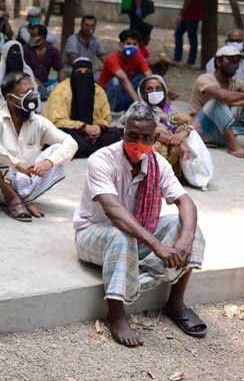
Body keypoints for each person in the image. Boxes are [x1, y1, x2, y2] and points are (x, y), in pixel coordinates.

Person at [73, 102, 207, 347]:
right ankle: (116, 313)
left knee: (188, 226)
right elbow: (113, 211)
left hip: (137, 233)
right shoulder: (101, 159)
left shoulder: (158, 163)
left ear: (155, 137)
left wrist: (184, 241)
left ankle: (175, 303)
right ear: (123, 132)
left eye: (146, 137)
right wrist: (156, 245)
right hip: (93, 233)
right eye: (132, 136)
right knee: (121, 234)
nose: (138, 142)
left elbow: (186, 201)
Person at [0, 71, 78, 221]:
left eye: (33, 91)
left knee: (58, 150)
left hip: (23, 184)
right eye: (25, 92)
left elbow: (71, 143)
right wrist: (16, 164)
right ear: (10, 98)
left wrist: (48, 162)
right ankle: (12, 198)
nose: (33, 96)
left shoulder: (38, 122)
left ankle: (24, 198)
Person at [136, 75, 209, 184]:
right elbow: (149, 130)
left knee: (186, 132)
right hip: (148, 143)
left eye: (158, 88)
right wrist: (175, 141)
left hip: (172, 140)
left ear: (164, 91)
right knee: (158, 146)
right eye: (149, 89)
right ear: (143, 93)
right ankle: (153, 177)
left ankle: (174, 175)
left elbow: (194, 122)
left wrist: (183, 132)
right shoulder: (139, 109)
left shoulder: (167, 110)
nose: (154, 92)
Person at [44, 57, 121, 158]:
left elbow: (106, 118)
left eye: (87, 71)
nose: (83, 75)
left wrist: (97, 127)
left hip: (93, 132)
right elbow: (56, 121)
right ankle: (91, 150)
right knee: (64, 136)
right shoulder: (61, 90)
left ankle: (85, 149)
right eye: (79, 71)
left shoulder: (98, 91)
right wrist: (83, 127)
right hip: (71, 130)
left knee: (114, 133)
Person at [190, 45, 244, 157]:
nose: (235, 64)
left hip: (224, 132)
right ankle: (234, 147)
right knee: (217, 102)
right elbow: (222, 96)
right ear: (218, 62)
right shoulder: (205, 79)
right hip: (202, 131)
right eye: (230, 60)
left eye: (237, 61)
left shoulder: (236, 82)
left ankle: (230, 140)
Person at [99, 29, 152, 112]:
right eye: (128, 44)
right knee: (115, 81)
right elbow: (123, 79)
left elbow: (149, 76)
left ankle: (134, 111)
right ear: (121, 45)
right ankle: (106, 114)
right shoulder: (112, 59)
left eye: (135, 44)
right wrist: (137, 102)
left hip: (123, 95)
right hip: (105, 98)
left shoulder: (138, 56)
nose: (132, 47)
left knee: (144, 80)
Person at [0, 40, 36, 116]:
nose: (15, 56)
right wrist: (9, 106)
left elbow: (33, 92)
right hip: (0, 105)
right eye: (12, 53)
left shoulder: (27, 70)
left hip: (22, 104)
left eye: (17, 53)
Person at [23, 24, 63, 99]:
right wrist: (39, 86)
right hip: (29, 84)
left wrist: (61, 86)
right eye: (31, 36)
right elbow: (26, 72)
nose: (31, 38)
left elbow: (60, 68)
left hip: (46, 83)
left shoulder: (53, 51)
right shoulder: (26, 50)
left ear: (43, 37)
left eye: (34, 36)